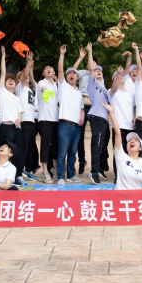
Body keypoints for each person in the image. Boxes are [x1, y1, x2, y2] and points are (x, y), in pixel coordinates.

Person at [103, 102, 142, 190]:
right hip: (120, 197)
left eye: (136, 140)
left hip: (136, 198)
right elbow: (118, 133)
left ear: (140, 148)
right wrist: (111, 113)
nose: (132, 141)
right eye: (129, 141)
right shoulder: (121, 156)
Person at [0, 45, 24, 180]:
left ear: (16, 86)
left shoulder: (16, 98)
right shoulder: (1, 92)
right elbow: (2, 73)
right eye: (8, 81)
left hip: (17, 128)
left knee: (17, 152)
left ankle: (17, 175)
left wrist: (19, 119)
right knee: (6, 152)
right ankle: (4, 176)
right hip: (6, 127)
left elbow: (20, 112)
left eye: (13, 81)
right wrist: (3, 56)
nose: (11, 82)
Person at [56, 45, 84, 185]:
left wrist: (82, 116)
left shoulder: (79, 93)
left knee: (73, 152)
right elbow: (60, 70)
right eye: (69, 74)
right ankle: (61, 176)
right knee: (62, 152)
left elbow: (81, 108)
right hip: (64, 124)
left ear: (77, 77)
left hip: (76, 127)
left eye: (74, 74)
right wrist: (62, 54)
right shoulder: (63, 86)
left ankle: (71, 174)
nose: (71, 75)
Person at [84, 43, 111, 185]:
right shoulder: (93, 84)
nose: (98, 71)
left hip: (104, 120)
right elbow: (90, 68)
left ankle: (99, 168)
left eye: (100, 70)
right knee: (98, 145)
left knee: (101, 146)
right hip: (97, 117)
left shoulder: (105, 88)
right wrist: (90, 52)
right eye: (96, 70)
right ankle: (94, 171)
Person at [36, 56, 60, 183]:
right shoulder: (41, 83)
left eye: (51, 68)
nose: (48, 69)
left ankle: (54, 169)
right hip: (45, 119)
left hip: (55, 119)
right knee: (45, 145)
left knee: (55, 145)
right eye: (46, 69)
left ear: (54, 72)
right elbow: (44, 90)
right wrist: (46, 91)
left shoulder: (56, 86)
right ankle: (45, 172)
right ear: (43, 73)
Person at [17, 52, 39, 181]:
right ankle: (20, 172)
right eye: (22, 76)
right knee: (24, 148)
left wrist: (30, 67)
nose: (25, 77)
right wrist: (28, 62)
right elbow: (25, 76)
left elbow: (30, 77)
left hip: (31, 122)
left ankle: (28, 170)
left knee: (31, 148)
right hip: (24, 121)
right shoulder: (20, 88)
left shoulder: (30, 90)